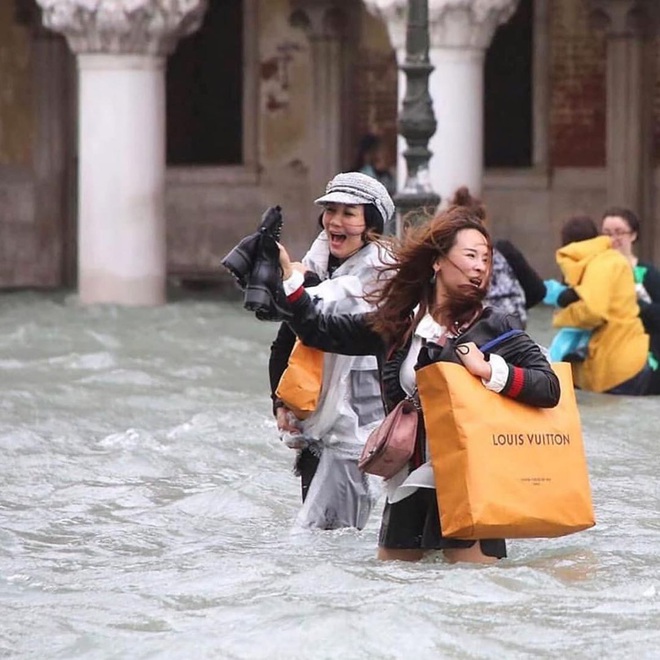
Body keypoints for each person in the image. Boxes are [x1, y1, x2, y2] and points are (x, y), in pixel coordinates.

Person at [277, 202, 560, 564]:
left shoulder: (495, 326)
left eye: (485, 259)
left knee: (472, 597)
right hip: (406, 483)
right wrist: (289, 281)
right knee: (398, 592)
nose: (480, 266)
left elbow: (549, 387)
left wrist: (489, 370)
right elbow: (320, 330)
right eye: (471, 255)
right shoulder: (400, 324)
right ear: (437, 262)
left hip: (471, 486)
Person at [269, 171, 395, 530]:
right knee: (319, 545)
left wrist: (294, 285)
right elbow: (287, 340)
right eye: (330, 210)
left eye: (349, 212)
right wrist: (281, 404)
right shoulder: (317, 264)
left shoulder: (382, 277)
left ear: (370, 222)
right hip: (314, 428)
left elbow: (319, 321)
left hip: (361, 436)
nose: (335, 222)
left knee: (337, 543)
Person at [546, 215, 651, 394]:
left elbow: (593, 312)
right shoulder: (610, 260)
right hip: (628, 360)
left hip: (616, 366)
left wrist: (560, 317)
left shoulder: (599, 265)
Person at [451, 187, 545, 328]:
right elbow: (538, 290)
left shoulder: (452, 257)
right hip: (512, 327)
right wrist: (514, 309)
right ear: (483, 221)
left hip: (473, 330)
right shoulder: (503, 250)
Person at [601, 207, 660, 393]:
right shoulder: (595, 271)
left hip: (643, 353)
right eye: (607, 233)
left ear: (633, 235)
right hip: (604, 352)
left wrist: (633, 304)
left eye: (620, 232)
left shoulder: (649, 274)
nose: (613, 239)